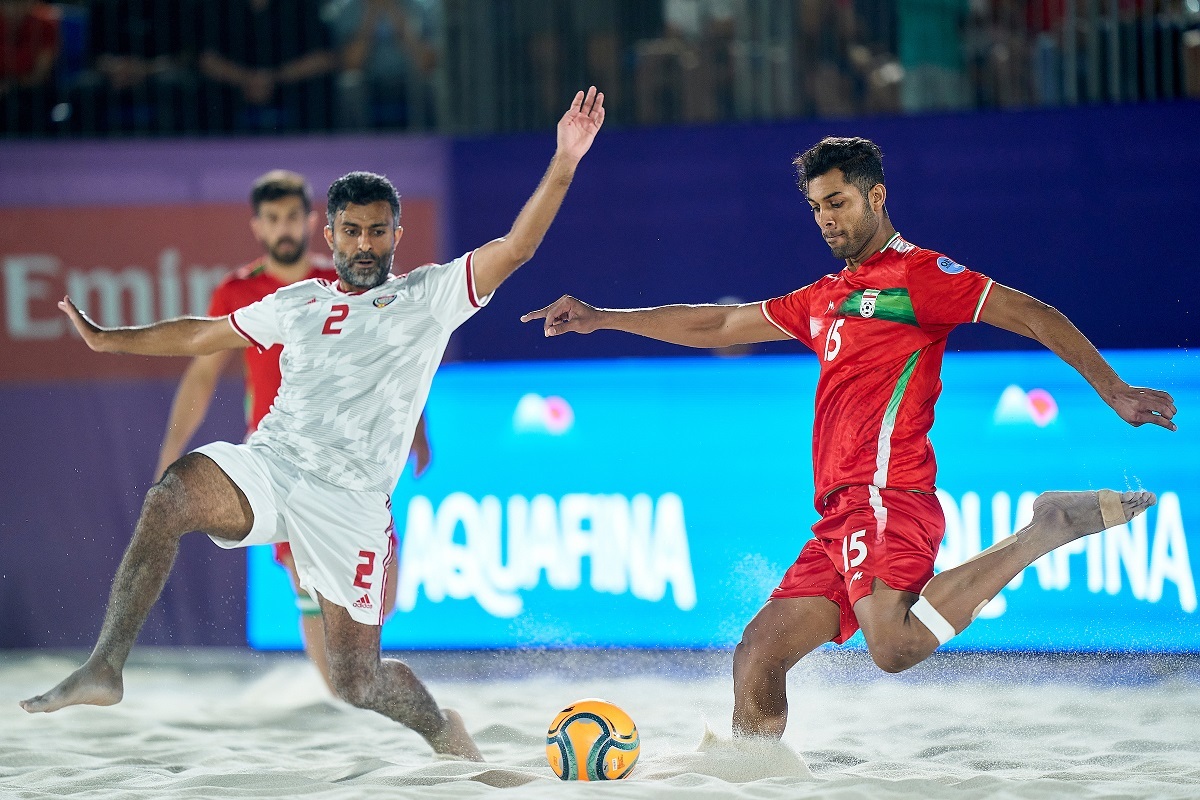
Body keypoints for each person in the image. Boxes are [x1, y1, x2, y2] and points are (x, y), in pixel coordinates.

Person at [521, 135, 1176, 739]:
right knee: (758, 655)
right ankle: (757, 781)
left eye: (837, 202)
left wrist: (1112, 388)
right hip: (840, 515)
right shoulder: (825, 296)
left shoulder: (920, 276)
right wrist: (602, 318)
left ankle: (1047, 528)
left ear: (876, 196)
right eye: (816, 208)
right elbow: (718, 325)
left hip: (888, 496)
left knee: (892, 645)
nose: (826, 219)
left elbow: (1030, 313)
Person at [21, 87, 606, 761]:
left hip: (351, 504)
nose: (365, 243)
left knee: (356, 682)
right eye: (352, 231)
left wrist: (565, 159)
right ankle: (105, 666)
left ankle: (443, 729)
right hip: (273, 465)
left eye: (378, 231)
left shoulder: (429, 295)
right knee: (170, 496)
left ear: (396, 236)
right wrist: (108, 341)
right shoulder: (297, 300)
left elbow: (519, 246)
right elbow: (204, 336)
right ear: (329, 236)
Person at [154, 169, 429, 694]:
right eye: (272, 218)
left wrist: (418, 425)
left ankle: (353, 687)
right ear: (258, 226)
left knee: (383, 597)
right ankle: (347, 701)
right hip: (282, 460)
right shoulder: (237, 291)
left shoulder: (344, 279)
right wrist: (172, 451)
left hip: (353, 453)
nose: (283, 227)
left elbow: (392, 357)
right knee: (309, 581)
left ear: (311, 222)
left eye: (292, 216)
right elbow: (202, 374)